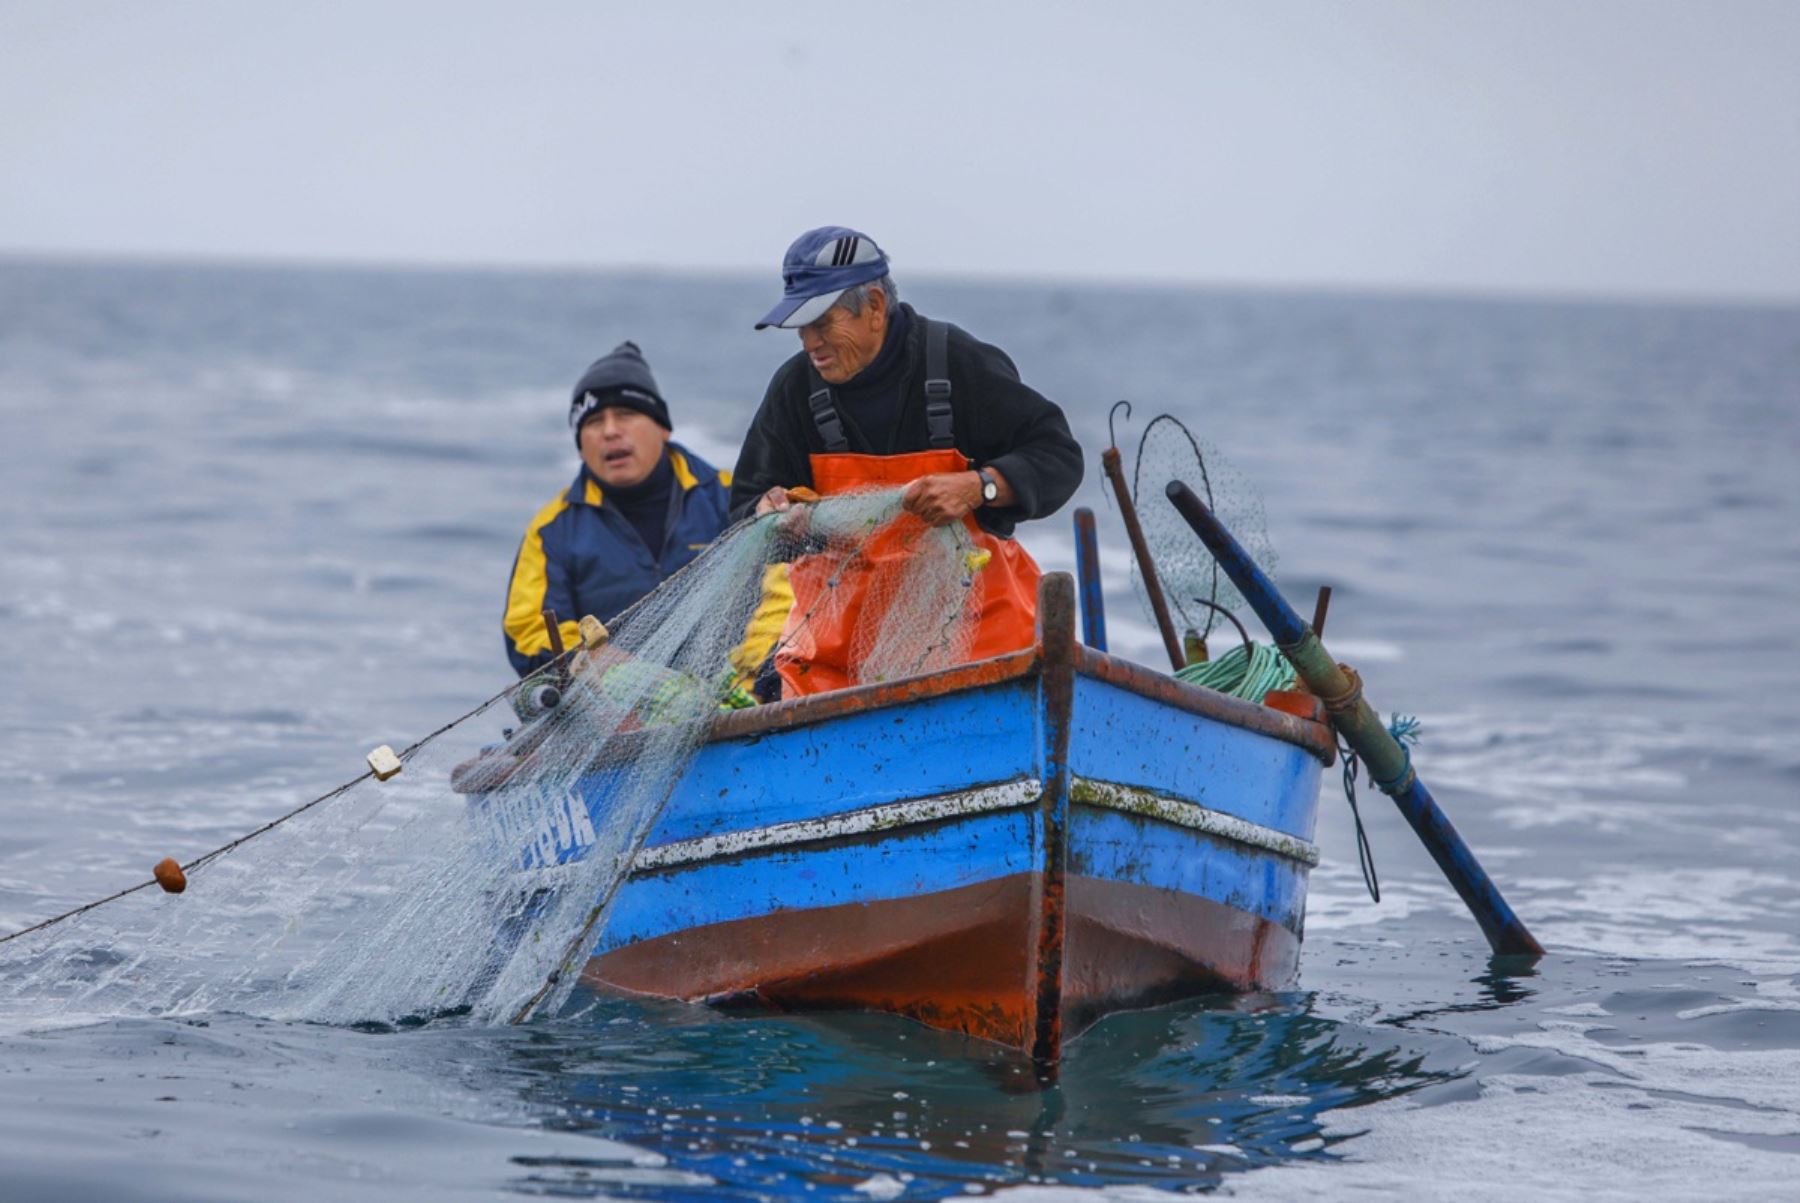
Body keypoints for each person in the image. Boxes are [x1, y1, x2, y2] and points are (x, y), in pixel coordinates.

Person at [730, 226, 1083, 696]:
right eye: (801, 326)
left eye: (822, 322)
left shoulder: (955, 362)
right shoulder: (794, 390)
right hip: (839, 666)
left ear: (875, 306)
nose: (810, 342)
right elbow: (744, 507)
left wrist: (981, 486)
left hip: (982, 650)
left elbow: (1057, 454)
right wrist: (768, 514)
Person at [503, 341, 731, 676]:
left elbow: (779, 599)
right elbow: (528, 630)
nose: (610, 431)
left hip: (734, 699)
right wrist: (596, 665)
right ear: (580, 445)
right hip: (607, 710)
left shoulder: (731, 497)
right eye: (594, 421)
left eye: (626, 414)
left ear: (663, 426)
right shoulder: (551, 530)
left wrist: (744, 681)